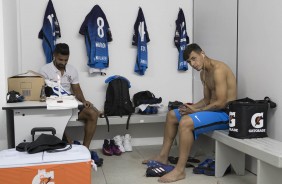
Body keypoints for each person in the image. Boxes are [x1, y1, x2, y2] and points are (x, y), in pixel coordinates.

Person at [143, 43, 237, 183]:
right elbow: (206, 100)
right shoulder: (203, 73)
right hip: (213, 111)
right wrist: (188, 107)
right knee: (173, 115)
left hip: (226, 114)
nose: (192, 64)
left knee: (186, 122)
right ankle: (163, 156)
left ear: (202, 53)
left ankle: (180, 171)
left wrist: (196, 110)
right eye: (189, 61)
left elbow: (221, 102)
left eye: (194, 58)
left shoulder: (218, 70)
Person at [39, 43, 100, 150]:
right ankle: (69, 142)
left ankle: (85, 150)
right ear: (54, 55)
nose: (63, 62)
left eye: (66, 60)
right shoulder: (44, 70)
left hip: (70, 105)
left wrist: (84, 100)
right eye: (60, 59)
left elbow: (76, 89)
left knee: (93, 113)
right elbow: (42, 93)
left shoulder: (72, 70)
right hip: (54, 107)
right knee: (53, 118)